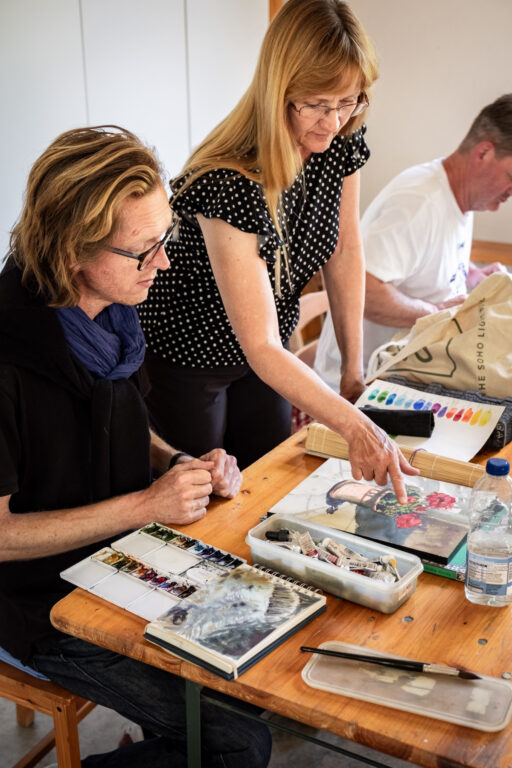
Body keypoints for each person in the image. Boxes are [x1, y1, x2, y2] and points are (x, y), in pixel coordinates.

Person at [0, 125, 271, 768]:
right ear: (73, 250)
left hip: (120, 559)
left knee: (259, 673)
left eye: (165, 239)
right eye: (144, 250)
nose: (166, 263)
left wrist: (177, 463)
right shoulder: (9, 356)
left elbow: (126, 423)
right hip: (40, 600)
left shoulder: (114, 311)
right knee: (236, 745)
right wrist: (147, 506)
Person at [138, 0, 417, 501]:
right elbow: (260, 342)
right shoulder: (230, 178)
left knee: (269, 478)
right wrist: (356, 426)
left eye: (348, 101)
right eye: (316, 103)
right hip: (187, 352)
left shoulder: (341, 139)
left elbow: (345, 251)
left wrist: (351, 369)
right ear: (278, 91)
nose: (332, 122)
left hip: (265, 350)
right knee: (205, 495)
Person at [315, 94, 512, 390]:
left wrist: (472, 275)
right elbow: (361, 289)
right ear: (484, 153)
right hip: (359, 390)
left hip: (405, 377)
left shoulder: (459, 198)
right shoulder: (419, 203)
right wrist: (434, 315)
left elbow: (424, 260)